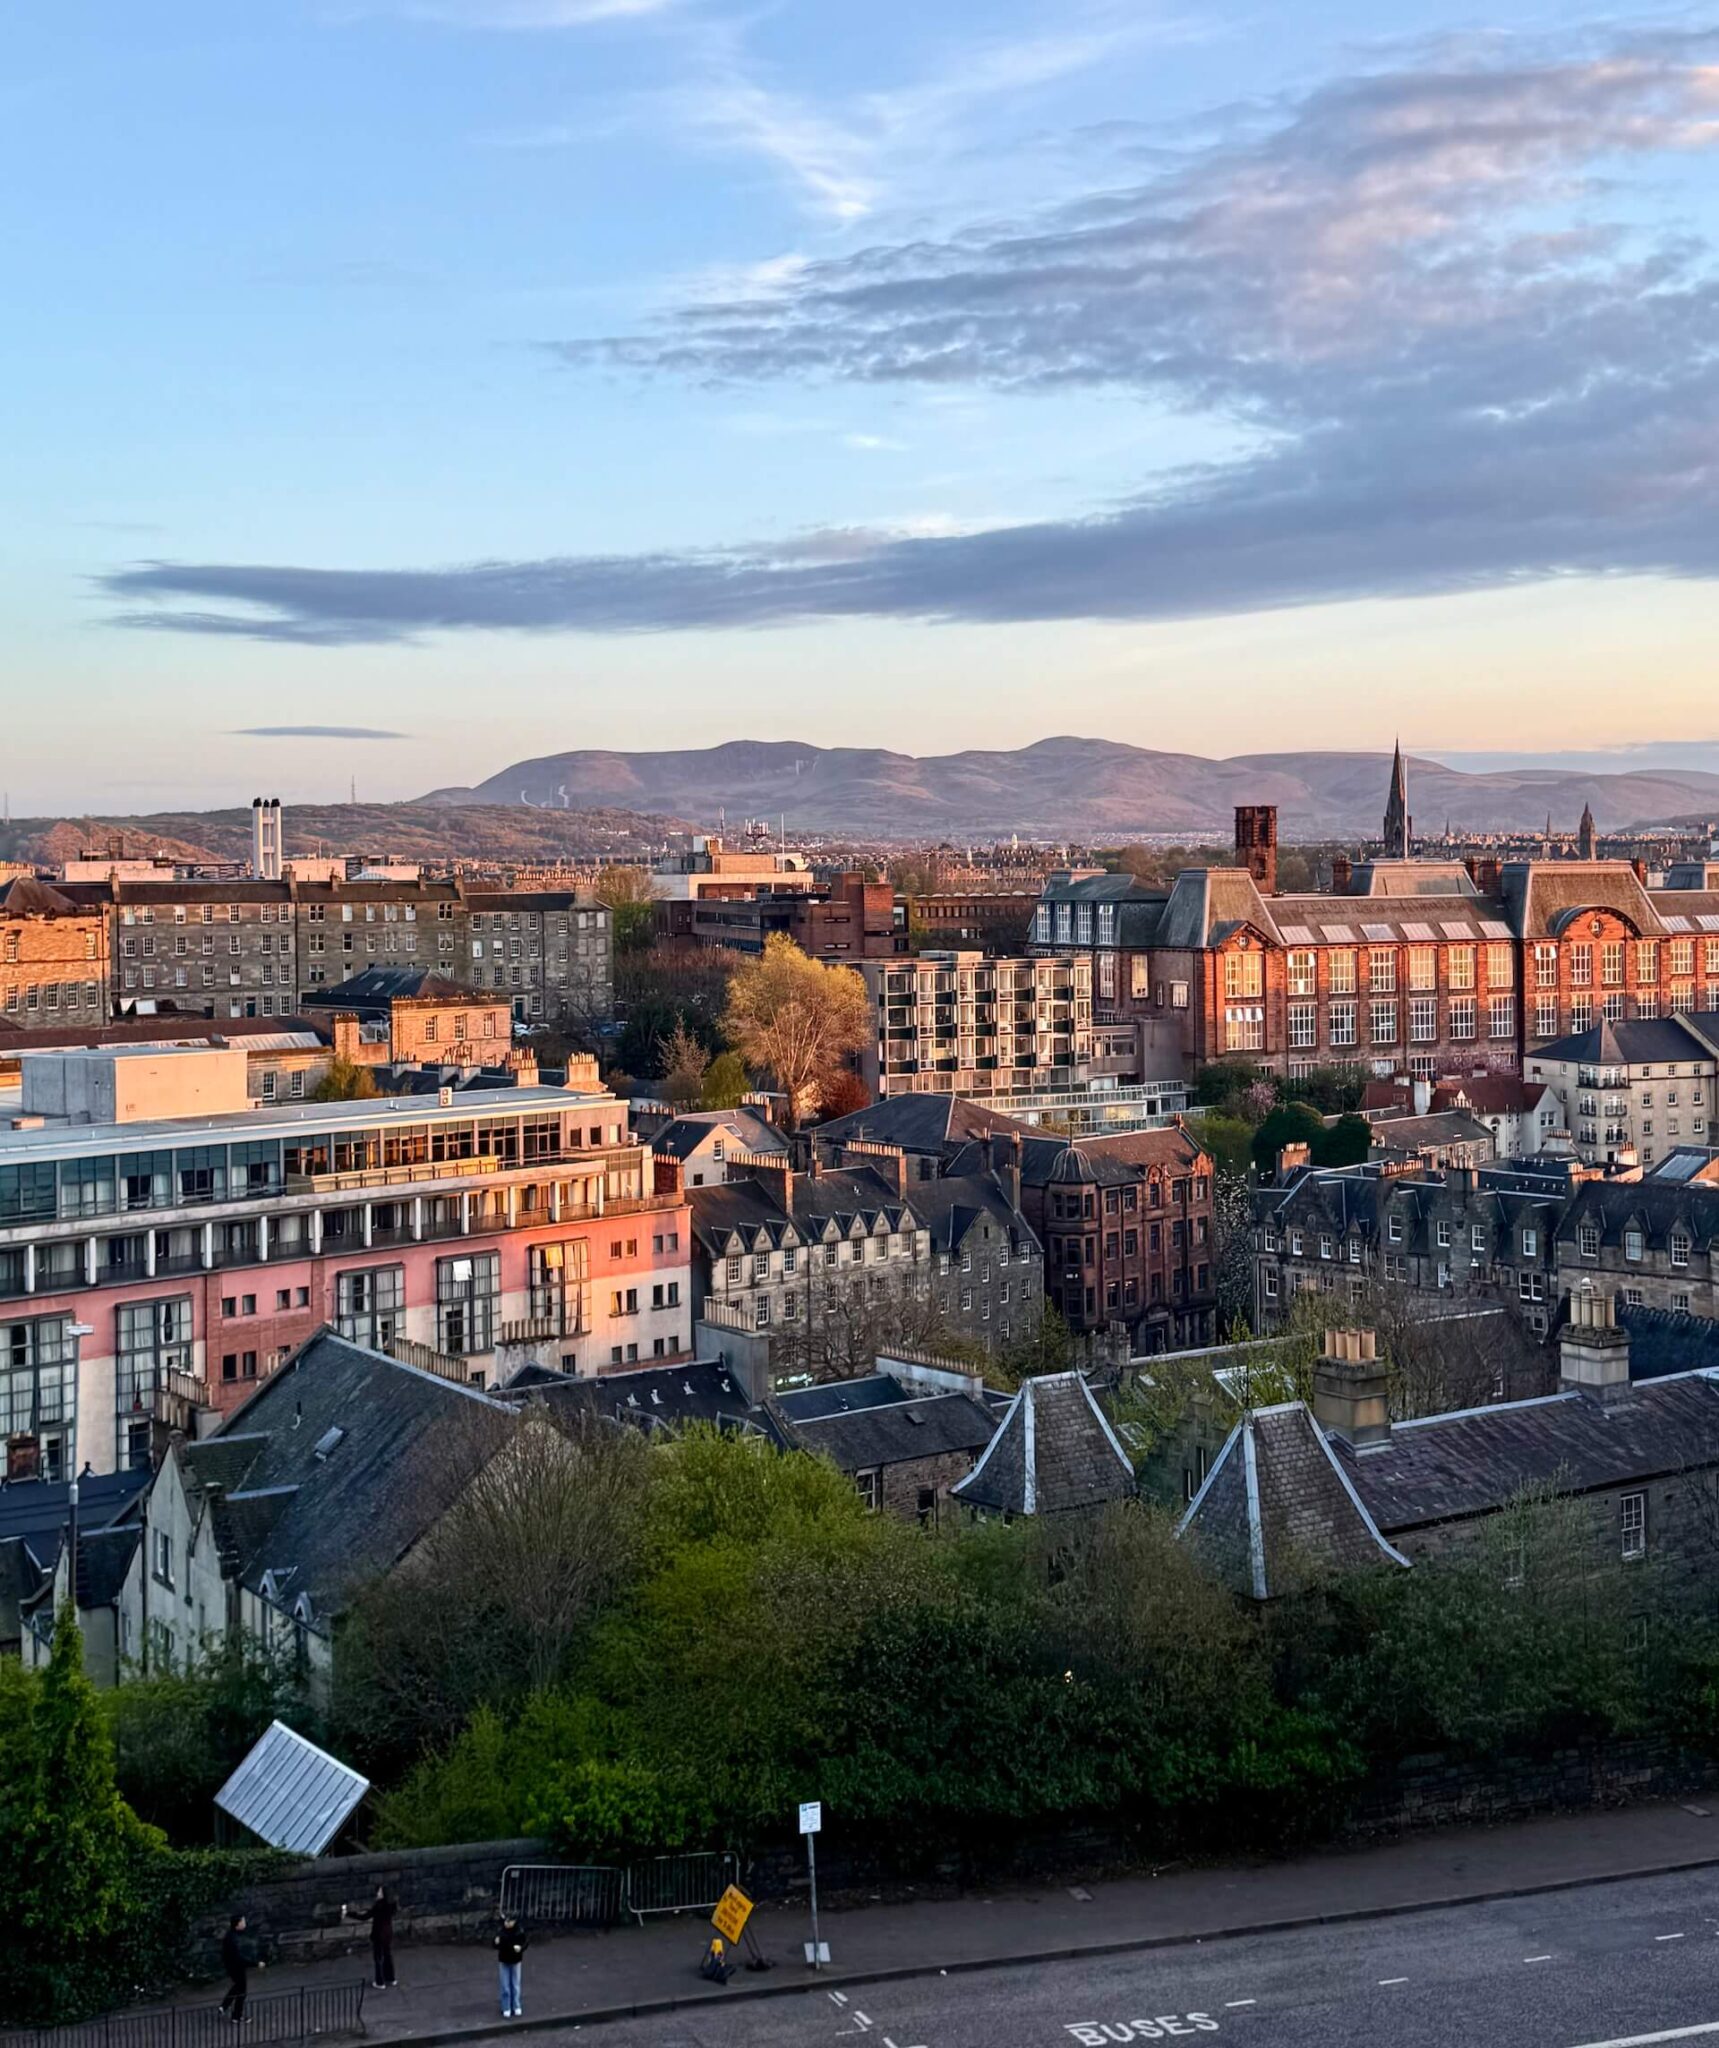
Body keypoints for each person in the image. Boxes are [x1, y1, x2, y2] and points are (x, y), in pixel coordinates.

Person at [341, 1885, 398, 1989]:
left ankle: (380, 1982)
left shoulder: (379, 1906)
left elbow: (364, 1917)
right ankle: (391, 1978)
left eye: (379, 1892)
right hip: (388, 1933)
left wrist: (348, 1914)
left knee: (378, 1958)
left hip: (378, 1934)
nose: (377, 1894)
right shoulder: (392, 1905)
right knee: (387, 1955)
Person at [219, 1914, 250, 2025]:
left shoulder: (231, 1936)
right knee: (241, 1991)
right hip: (236, 1967)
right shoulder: (232, 1939)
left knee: (238, 1988)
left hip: (233, 1967)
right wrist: (254, 1963)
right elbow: (238, 1956)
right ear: (237, 1924)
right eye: (243, 1922)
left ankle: (226, 2007)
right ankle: (236, 2016)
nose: (245, 1923)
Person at [494, 1914, 527, 2019]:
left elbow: (525, 1942)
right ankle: (506, 2007)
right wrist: (495, 1943)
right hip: (504, 1960)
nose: (507, 1924)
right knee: (505, 1987)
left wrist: (520, 1948)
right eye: (506, 1922)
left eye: (509, 1922)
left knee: (515, 1985)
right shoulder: (501, 1932)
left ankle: (516, 2005)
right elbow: (495, 1945)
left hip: (515, 1960)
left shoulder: (519, 1931)